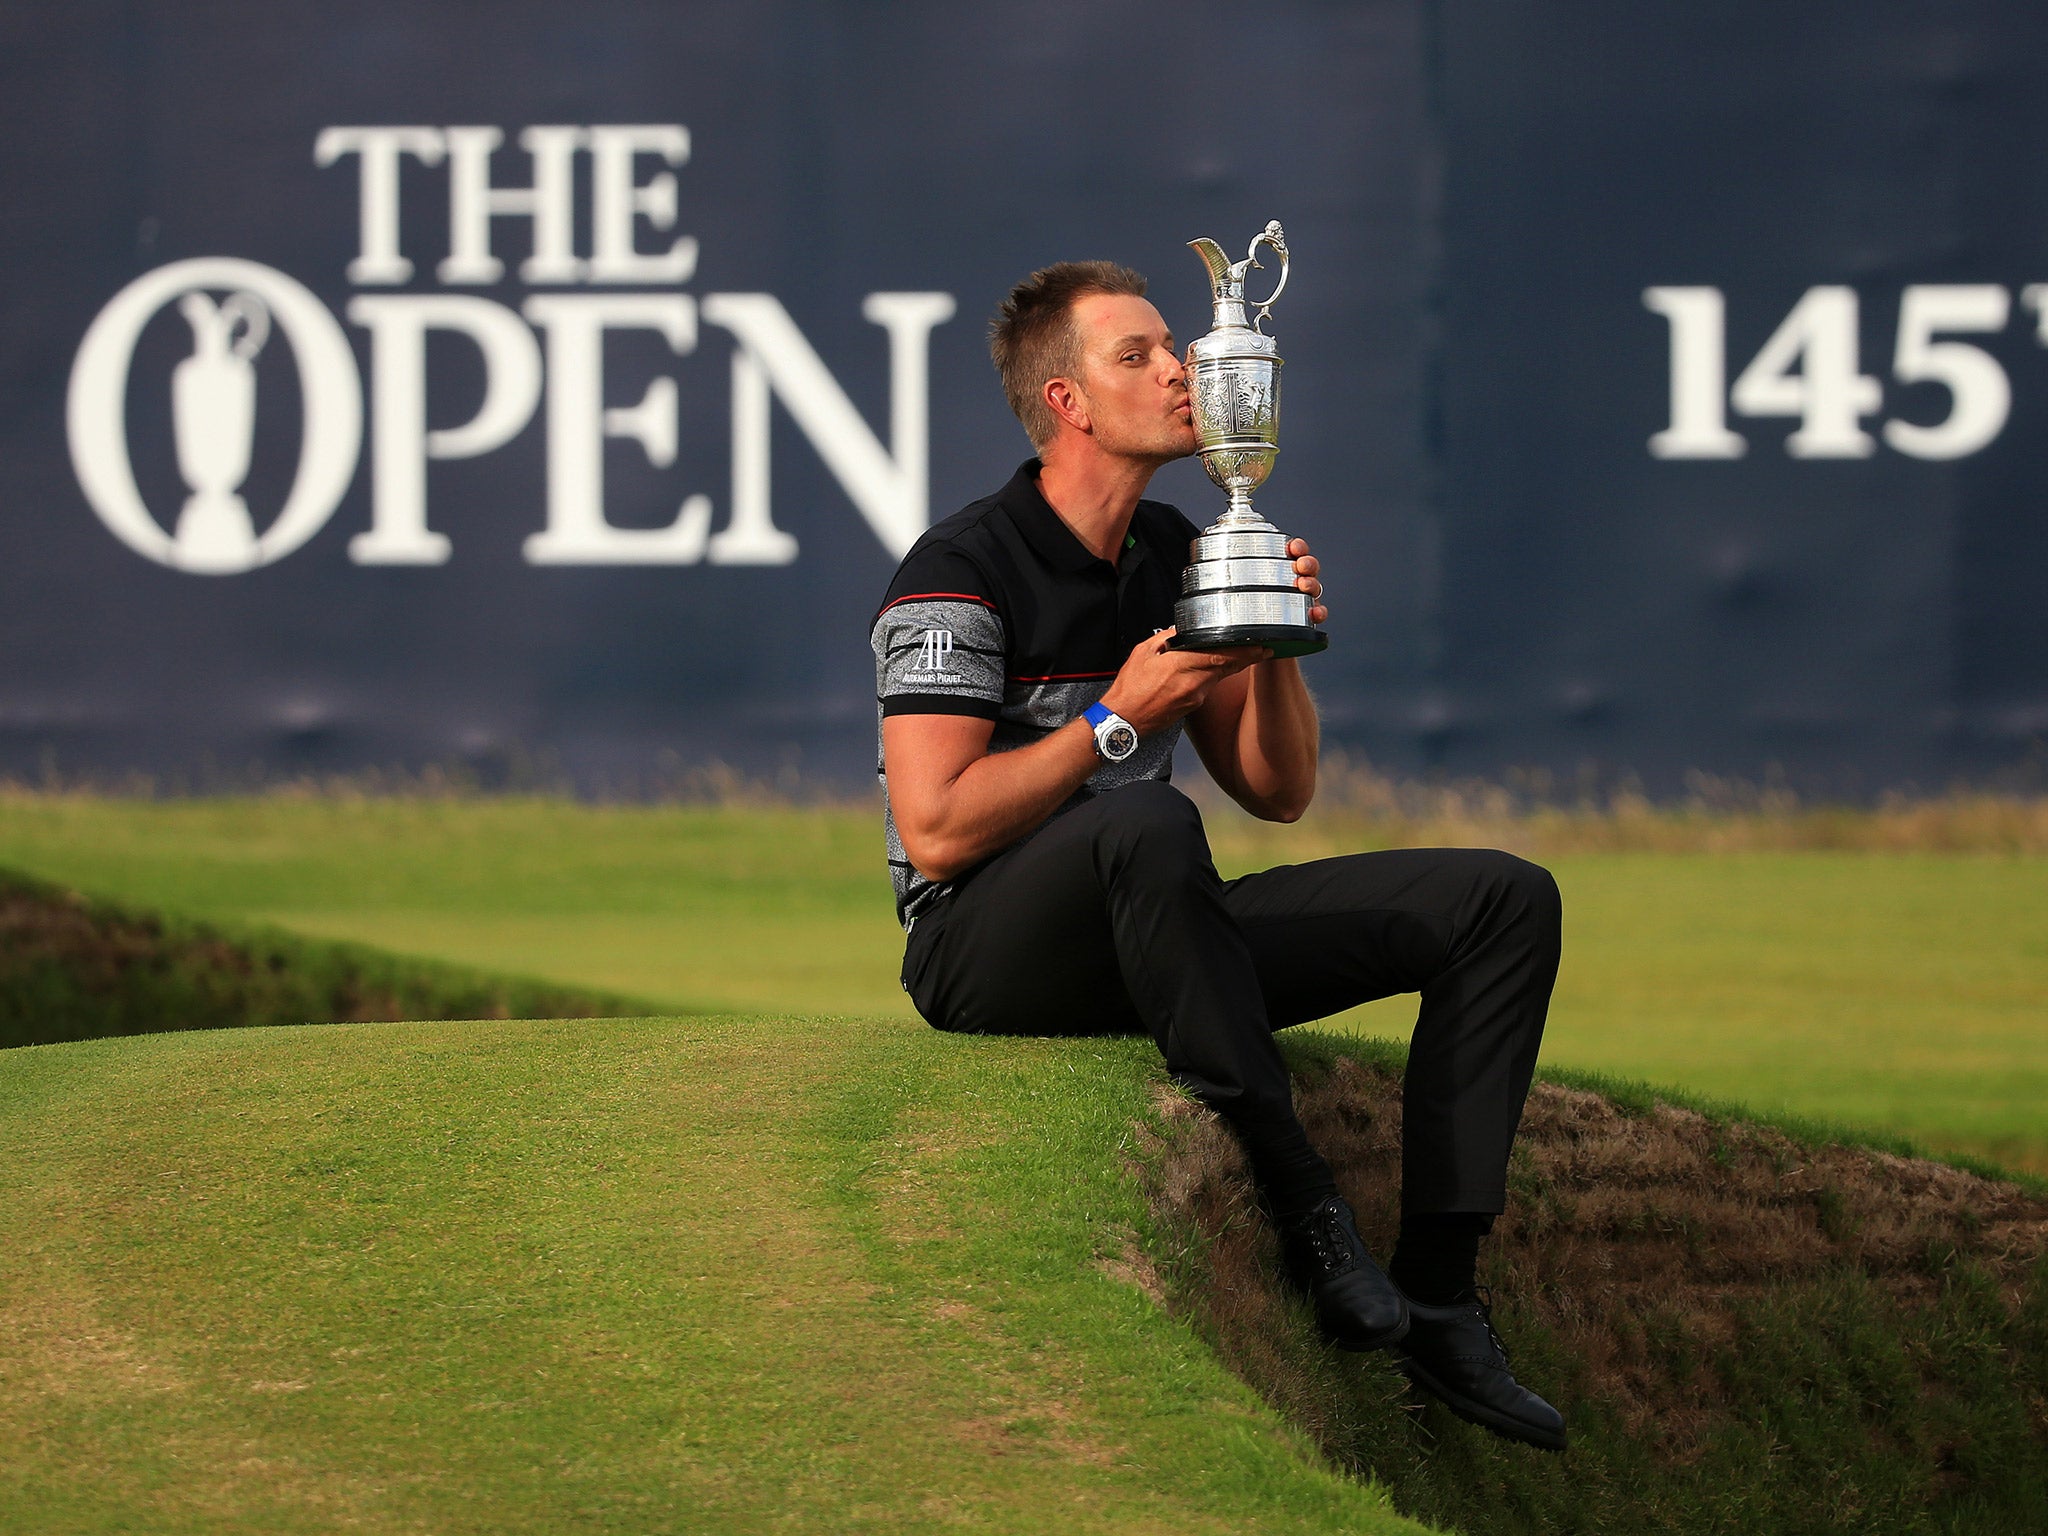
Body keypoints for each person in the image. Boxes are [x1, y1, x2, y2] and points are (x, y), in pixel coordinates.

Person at [869, 259, 1566, 1452]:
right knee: (1143, 818)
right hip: (983, 953)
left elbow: (1280, 793)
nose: (1181, 370)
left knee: (1501, 898)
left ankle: (1442, 1295)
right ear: (1068, 403)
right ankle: (1304, 1205)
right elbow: (935, 829)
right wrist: (1114, 720)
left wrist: (1269, 639)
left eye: (1173, 349)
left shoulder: (1178, 545)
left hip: (1154, 926)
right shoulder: (958, 570)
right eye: (1137, 354)